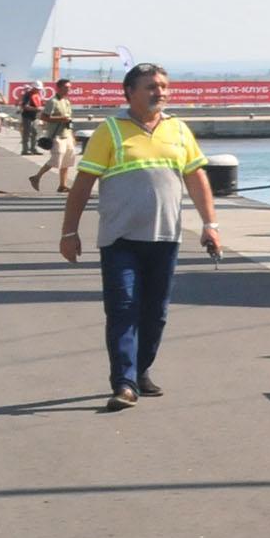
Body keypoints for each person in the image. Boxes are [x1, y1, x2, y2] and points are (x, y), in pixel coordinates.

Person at [60, 63, 223, 411]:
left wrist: (211, 224)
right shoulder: (110, 131)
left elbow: (196, 178)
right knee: (123, 310)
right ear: (129, 92)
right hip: (120, 240)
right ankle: (124, 383)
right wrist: (69, 232)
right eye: (151, 86)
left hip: (165, 239)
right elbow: (83, 185)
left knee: (155, 313)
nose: (160, 92)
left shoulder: (178, 129)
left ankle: (140, 369)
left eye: (163, 86)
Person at [28, 82, 80, 192]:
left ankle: (63, 185)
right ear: (59, 88)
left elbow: (69, 120)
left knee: (68, 159)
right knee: (56, 158)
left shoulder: (66, 101)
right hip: (56, 135)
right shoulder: (52, 101)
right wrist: (60, 119)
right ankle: (36, 177)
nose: (68, 90)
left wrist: (72, 135)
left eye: (69, 88)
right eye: (66, 87)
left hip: (67, 134)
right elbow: (44, 117)